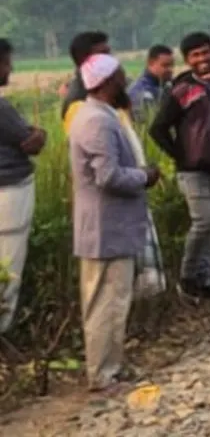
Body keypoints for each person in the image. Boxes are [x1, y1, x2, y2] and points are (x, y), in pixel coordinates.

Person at [68, 53, 161, 390]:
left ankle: (111, 368)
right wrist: (144, 176)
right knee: (106, 304)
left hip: (109, 227)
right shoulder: (97, 120)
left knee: (113, 301)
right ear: (108, 82)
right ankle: (103, 375)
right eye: (121, 76)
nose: (126, 81)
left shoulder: (98, 114)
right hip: (106, 227)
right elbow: (107, 177)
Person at [150, 32, 210, 301]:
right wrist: (179, 154)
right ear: (187, 59)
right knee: (205, 220)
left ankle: (205, 281)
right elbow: (158, 128)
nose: (202, 59)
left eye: (206, 52)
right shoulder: (182, 90)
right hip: (193, 170)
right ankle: (188, 277)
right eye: (196, 55)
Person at [0, 39, 46, 333]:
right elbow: (31, 142)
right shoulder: (2, 109)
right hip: (9, 193)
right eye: (6, 62)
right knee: (8, 267)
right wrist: (38, 133)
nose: (11, 68)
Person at [61, 31, 112, 133]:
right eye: (103, 55)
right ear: (84, 60)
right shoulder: (77, 103)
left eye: (109, 53)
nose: (110, 59)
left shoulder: (105, 89)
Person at [127, 44, 174, 122]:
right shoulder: (140, 92)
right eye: (165, 65)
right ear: (150, 63)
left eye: (172, 65)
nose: (170, 70)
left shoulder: (166, 86)